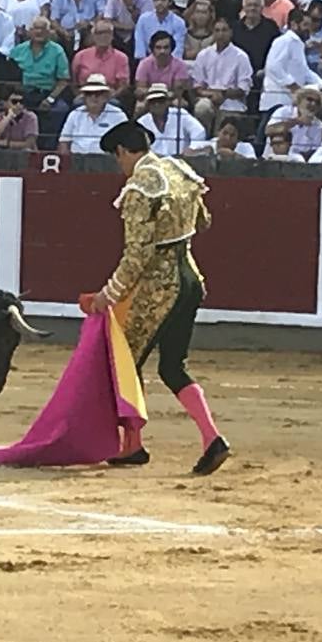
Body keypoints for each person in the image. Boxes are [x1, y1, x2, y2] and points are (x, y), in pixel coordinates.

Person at [80, 120, 230, 474]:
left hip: (159, 287)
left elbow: (137, 257)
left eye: (117, 159)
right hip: (191, 279)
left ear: (122, 151)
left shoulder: (138, 190)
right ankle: (212, 439)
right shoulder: (179, 170)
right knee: (172, 366)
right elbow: (203, 220)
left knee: (124, 364)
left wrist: (107, 295)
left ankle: (132, 445)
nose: (119, 166)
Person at [58, 71, 127, 153]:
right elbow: (64, 142)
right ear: (84, 97)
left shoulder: (118, 115)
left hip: (107, 161)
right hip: (77, 160)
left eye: (98, 93)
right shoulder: (75, 114)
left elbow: (125, 144)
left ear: (105, 97)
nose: (93, 97)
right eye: (89, 93)